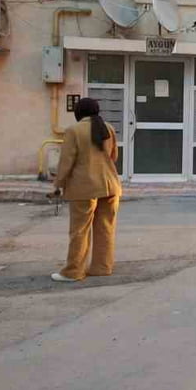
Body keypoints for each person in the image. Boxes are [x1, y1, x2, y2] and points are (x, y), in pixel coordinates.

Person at [51, 97, 121, 283]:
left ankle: (73, 271)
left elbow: (66, 162)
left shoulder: (73, 130)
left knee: (79, 231)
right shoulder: (108, 128)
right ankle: (102, 267)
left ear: (78, 112)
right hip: (110, 186)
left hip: (84, 188)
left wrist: (58, 185)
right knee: (105, 228)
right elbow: (113, 156)